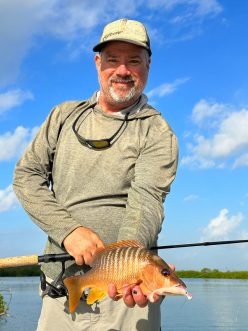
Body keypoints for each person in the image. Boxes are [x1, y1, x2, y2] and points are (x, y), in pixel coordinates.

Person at [13, 18, 178, 331]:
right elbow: (26, 176)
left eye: (134, 60)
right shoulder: (63, 116)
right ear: (97, 62)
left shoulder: (157, 131)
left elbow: (146, 200)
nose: (122, 70)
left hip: (126, 298)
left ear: (148, 65)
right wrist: (68, 230)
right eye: (113, 60)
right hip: (60, 289)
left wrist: (130, 268)